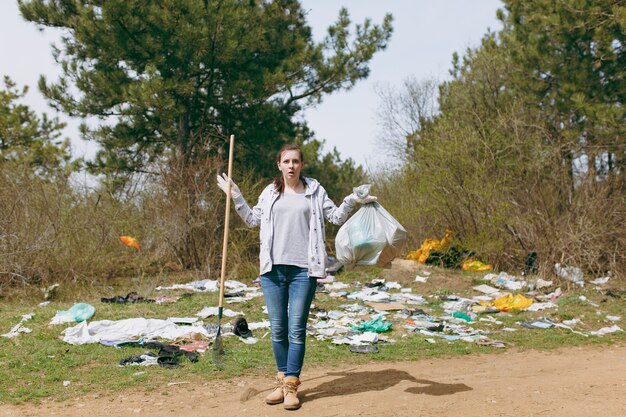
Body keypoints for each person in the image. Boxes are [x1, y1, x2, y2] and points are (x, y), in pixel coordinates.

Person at [217, 143, 376, 410]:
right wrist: (235, 195)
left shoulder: (314, 191)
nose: (291, 165)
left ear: (301, 165)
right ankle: (281, 381)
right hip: (272, 270)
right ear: (279, 165)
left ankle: (291, 386)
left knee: (296, 330)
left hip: (304, 269)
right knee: (278, 330)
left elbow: (335, 217)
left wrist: (352, 199)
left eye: (296, 161)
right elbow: (253, 221)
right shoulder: (269, 193)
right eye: (286, 161)